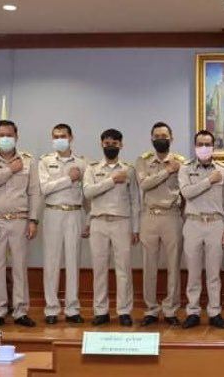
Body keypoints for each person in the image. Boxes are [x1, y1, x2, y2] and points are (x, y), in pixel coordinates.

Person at [0, 120, 40, 328]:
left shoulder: (28, 160)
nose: (5, 138)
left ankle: (20, 311)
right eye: (1, 134)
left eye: (9, 134)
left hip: (19, 219)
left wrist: (33, 220)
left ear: (16, 136)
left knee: (20, 267)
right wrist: (9, 171)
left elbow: (34, 192)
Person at [83, 129, 140, 327]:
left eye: (114, 144)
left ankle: (124, 311)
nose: (110, 147)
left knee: (123, 269)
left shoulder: (129, 170)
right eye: (107, 143)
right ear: (101, 144)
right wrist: (112, 180)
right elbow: (88, 192)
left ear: (121, 145)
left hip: (121, 222)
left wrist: (135, 228)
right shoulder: (92, 168)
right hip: (98, 221)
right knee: (99, 269)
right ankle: (101, 311)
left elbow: (135, 200)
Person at [179, 130, 224, 329]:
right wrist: (209, 180)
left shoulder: (223, 170)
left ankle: (215, 312)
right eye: (200, 144)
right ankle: (193, 312)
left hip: (215, 224)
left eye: (207, 144)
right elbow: (187, 192)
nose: (204, 148)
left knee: (214, 274)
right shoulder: (185, 169)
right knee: (193, 273)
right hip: (193, 223)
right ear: (195, 146)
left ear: (213, 146)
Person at [136, 122, 185, 327]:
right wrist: (167, 171)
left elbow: (185, 191)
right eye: (156, 136)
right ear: (151, 139)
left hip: (172, 216)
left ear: (171, 138)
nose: (160, 139)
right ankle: (151, 310)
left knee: (174, 265)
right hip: (150, 216)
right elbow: (144, 184)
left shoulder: (181, 162)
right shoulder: (143, 160)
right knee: (149, 265)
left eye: (164, 136)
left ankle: (171, 309)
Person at [38, 123, 88, 325]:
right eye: (56, 136)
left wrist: (89, 219)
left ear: (71, 138)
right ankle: (51, 309)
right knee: (51, 262)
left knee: (73, 262)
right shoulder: (45, 161)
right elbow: (44, 188)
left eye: (63, 136)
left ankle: (72, 308)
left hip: (75, 213)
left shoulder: (82, 163)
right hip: (53, 212)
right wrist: (68, 178)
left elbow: (87, 194)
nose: (59, 139)